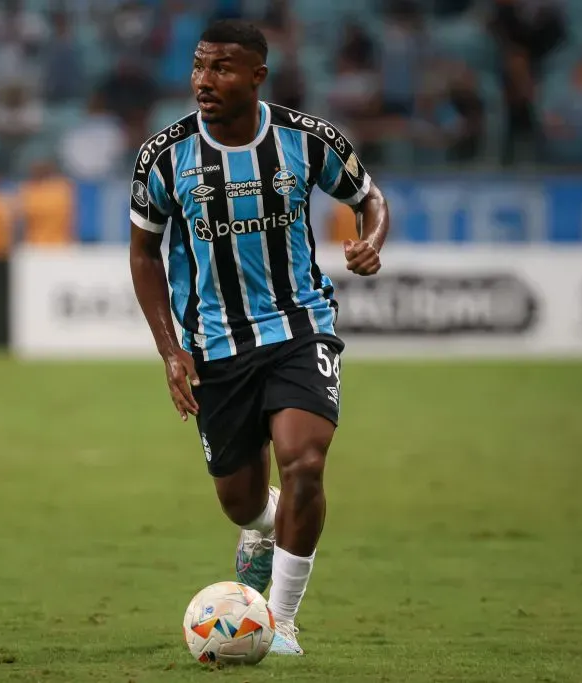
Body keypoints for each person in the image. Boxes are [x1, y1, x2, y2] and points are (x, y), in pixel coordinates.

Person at [128, 20, 389, 656]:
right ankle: (263, 526)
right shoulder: (165, 156)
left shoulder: (307, 140)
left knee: (305, 460)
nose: (204, 81)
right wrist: (170, 349)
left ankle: (282, 621)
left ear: (256, 77)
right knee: (240, 502)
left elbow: (370, 198)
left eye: (220, 69)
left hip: (301, 327)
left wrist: (370, 241)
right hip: (216, 346)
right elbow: (143, 254)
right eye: (198, 66)